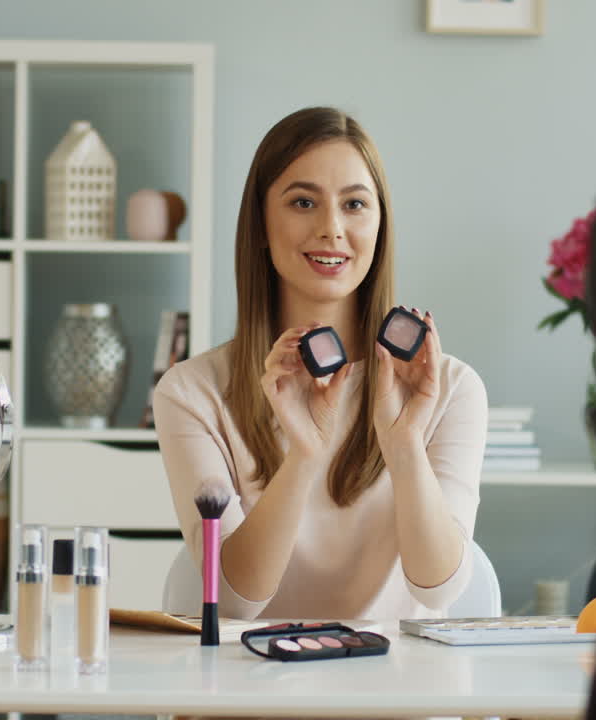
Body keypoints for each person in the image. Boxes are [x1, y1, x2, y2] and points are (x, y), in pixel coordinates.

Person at [153, 107, 488, 620]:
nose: (332, 229)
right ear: (261, 224)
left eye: (354, 204)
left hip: (397, 693)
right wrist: (303, 455)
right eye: (303, 202)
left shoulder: (450, 388)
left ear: (379, 226)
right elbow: (236, 599)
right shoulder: (191, 392)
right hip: (253, 693)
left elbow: (438, 590)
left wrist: (403, 446)